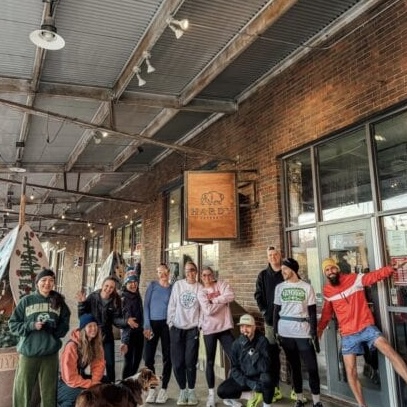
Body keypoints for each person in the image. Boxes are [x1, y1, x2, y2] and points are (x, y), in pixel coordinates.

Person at [318, 258, 407, 407]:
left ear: (337, 269)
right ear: (325, 273)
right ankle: (362, 405)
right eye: (327, 270)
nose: (330, 272)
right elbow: (327, 313)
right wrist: (319, 329)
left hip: (366, 327)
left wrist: (392, 268)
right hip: (348, 334)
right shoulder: (327, 290)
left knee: (390, 351)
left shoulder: (354, 279)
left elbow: (374, 276)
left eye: (332, 268)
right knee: (351, 371)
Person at [9, 269, 71, 407]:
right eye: (44, 280)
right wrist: (31, 325)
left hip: (50, 354)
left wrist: (55, 331)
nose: (47, 283)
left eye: (51, 280)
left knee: (49, 392)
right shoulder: (26, 301)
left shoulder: (59, 302)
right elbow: (13, 325)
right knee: (23, 390)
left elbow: (64, 324)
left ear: (54, 283)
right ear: (37, 283)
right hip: (29, 353)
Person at [273, 258, 323, 407]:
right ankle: (299, 399)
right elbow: (276, 311)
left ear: (293, 270)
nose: (282, 272)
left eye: (285, 269)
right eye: (282, 269)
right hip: (285, 332)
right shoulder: (280, 287)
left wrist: (313, 332)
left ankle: (317, 401)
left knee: (312, 367)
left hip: (303, 331)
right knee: (294, 367)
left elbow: (312, 312)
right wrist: (276, 331)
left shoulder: (307, 287)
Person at [77, 275, 138, 382]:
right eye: (107, 286)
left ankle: (111, 385)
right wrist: (81, 304)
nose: (108, 289)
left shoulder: (115, 300)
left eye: (111, 287)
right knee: (85, 362)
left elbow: (115, 319)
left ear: (114, 289)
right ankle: (82, 383)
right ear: (102, 285)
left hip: (107, 336)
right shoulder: (93, 297)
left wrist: (126, 321)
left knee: (110, 364)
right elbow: (82, 317)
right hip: (92, 335)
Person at [198, 266, 236, 407]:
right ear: (201, 277)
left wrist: (214, 300)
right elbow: (207, 311)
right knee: (210, 362)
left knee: (235, 358)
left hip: (224, 328)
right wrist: (222, 301)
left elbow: (231, 296)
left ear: (213, 275)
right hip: (209, 330)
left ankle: (229, 393)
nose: (207, 277)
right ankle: (211, 396)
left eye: (209, 274)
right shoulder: (201, 292)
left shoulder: (222, 284)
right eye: (204, 275)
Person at [217, 314, 273, 407]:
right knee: (221, 391)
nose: (244, 330)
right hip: (245, 378)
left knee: (267, 379)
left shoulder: (262, 341)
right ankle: (250, 395)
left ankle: (266, 405)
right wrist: (248, 382)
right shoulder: (236, 344)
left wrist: (250, 349)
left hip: (258, 377)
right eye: (242, 327)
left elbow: (265, 367)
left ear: (254, 327)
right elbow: (234, 368)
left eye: (248, 326)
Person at [167, 261, 201, 406]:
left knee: (190, 362)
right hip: (176, 328)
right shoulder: (178, 285)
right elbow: (172, 304)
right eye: (187, 271)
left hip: (192, 329)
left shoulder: (200, 287)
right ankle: (183, 391)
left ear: (196, 271)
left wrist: (199, 325)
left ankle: (191, 391)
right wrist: (170, 322)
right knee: (177, 363)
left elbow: (203, 308)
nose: (189, 273)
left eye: (192, 270)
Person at [254, 246, 285, 403]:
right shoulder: (263, 275)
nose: (273, 257)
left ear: (280, 255)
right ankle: (276, 388)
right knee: (272, 355)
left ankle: (296, 389)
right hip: (270, 323)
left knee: (292, 353)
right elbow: (258, 295)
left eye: (275, 254)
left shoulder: (287, 272)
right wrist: (265, 312)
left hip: (288, 321)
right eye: (270, 255)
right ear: (267, 258)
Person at [57, 313, 105, 407]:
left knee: (105, 385)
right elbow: (69, 377)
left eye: (95, 325)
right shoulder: (72, 346)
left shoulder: (96, 344)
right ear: (83, 329)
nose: (93, 328)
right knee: (83, 396)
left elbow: (99, 365)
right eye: (90, 326)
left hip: (79, 378)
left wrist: (95, 382)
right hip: (65, 383)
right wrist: (90, 384)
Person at [143, 263, 173, 404]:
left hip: (167, 325)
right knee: (148, 357)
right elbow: (146, 306)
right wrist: (147, 325)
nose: (162, 274)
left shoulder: (172, 288)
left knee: (168, 357)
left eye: (164, 271)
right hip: (152, 325)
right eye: (159, 272)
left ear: (168, 271)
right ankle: (153, 388)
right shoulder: (152, 286)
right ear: (157, 274)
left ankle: (164, 390)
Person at [120, 268, 144, 379]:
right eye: (130, 282)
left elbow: (137, 273)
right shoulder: (123, 297)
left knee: (137, 361)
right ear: (126, 284)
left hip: (139, 333)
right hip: (129, 334)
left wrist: (138, 264)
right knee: (128, 362)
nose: (133, 285)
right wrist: (124, 341)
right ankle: (124, 384)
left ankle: (131, 383)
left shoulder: (136, 293)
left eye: (135, 282)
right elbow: (123, 319)